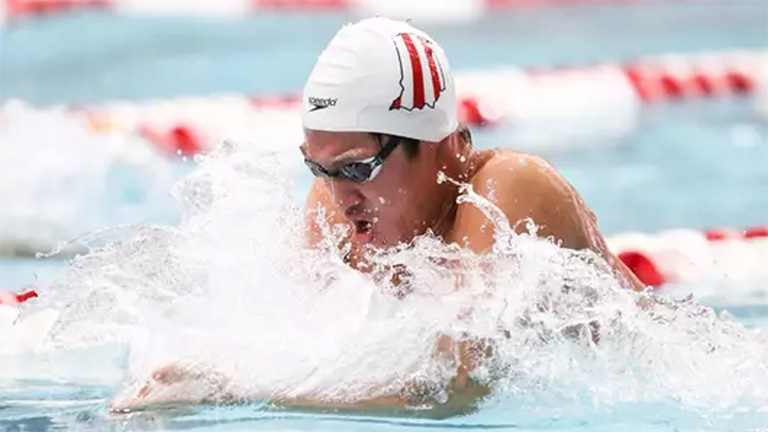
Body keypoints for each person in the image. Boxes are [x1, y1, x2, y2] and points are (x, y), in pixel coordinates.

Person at [111, 17, 646, 418]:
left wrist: (246, 393)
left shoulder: (507, 191)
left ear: (441, 150)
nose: (339, 198)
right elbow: (295, 338)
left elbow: (458, 385)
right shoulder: (340, 212)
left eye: (357, 168)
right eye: (318, 169)